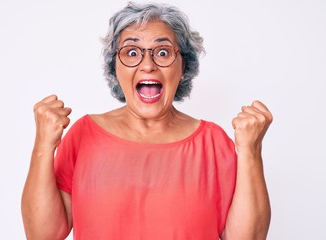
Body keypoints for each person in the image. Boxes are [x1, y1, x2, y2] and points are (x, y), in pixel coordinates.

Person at [21, 2, 273, 240]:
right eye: (132, 52)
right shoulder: (83, 135)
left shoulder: (213, 142)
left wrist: (250, 151)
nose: (148, 65)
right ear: (115, 67)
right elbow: (43, 235)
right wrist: (43, 145)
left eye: (163, 52)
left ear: (183, 66)